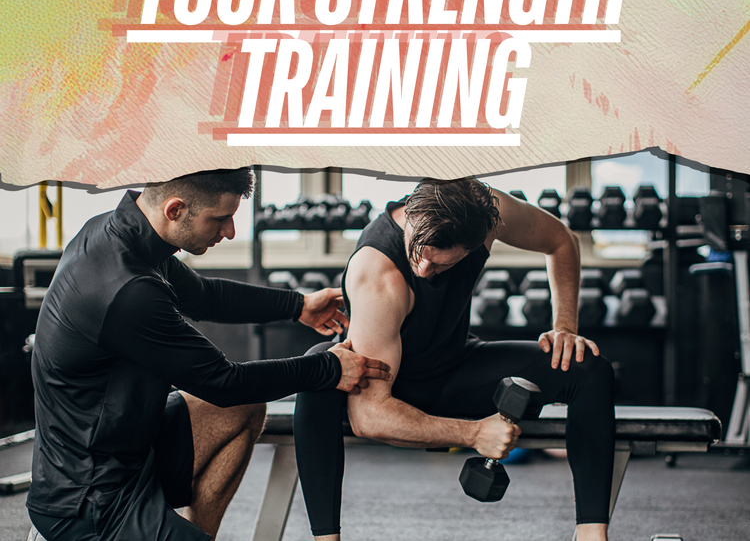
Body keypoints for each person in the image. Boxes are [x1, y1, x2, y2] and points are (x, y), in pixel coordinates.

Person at [26, 167, 391, 541]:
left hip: (133, 448)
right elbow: (224, 382)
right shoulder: (127, 291)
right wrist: (328, 368)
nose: (230, 231)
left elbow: (205, 296)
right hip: (90, 500)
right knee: (234, 395)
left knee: (245, 408)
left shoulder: (128, 237)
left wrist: (298, 305)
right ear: (175, 210)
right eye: (220, 219)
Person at [294, 177, 615, 541]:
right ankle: (326, 539)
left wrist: (565, 328)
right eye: (420, 254)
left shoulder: (491, 211)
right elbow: (369, 417)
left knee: (589, 368)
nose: (423, 271)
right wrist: (475, 433)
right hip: (383, 388)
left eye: (440, 265)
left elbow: (561, 240)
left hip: (453, 365)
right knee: (318, 367)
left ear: (478, 242)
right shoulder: (378, 273)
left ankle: (591, 535)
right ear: (413, 214)